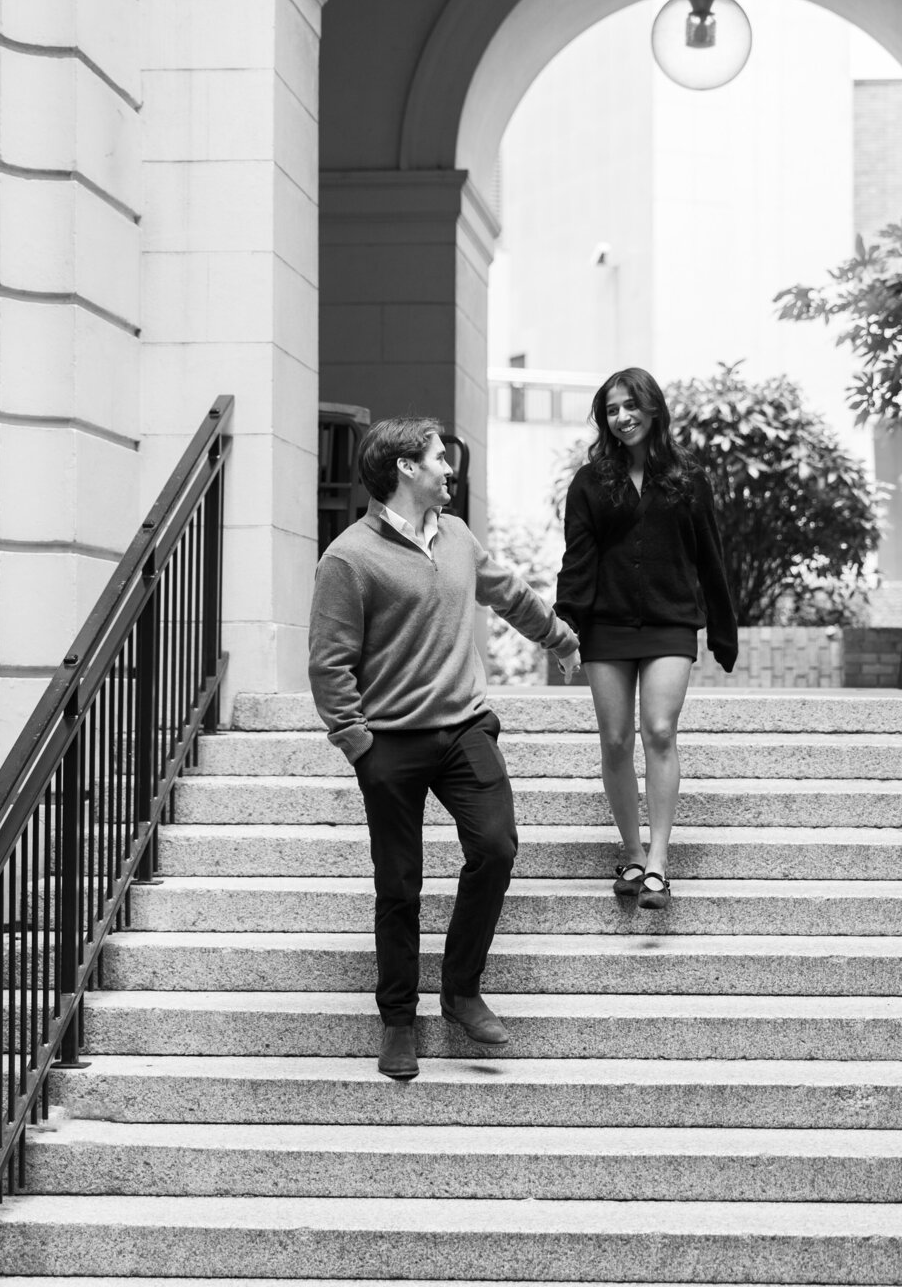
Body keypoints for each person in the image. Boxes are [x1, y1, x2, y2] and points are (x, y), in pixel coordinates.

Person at [308, 414, 581, 1082]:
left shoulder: (456, 536)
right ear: (405, 467)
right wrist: (358, 743)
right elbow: (329, 662)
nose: (449, 467)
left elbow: (506, 592)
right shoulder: (349, 557)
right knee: (399, 885)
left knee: (497, 847)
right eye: (437, 457)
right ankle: (399, 1022)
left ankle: (460, 991)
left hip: (465, 729)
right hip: (390, 742)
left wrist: (558, 636)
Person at [555, 367, 737, 908]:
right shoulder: (590, 482)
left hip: (670, 621)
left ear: (653, 408)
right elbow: (578, 560)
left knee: (658, 730)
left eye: (631, 406)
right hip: (606, 624)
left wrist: (723, 630)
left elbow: (709, 556)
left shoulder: (689, 478)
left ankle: (659, 859)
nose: (622, 417)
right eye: (612, 410)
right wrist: (566, 629)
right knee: (615, 739)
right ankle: (632, 853)